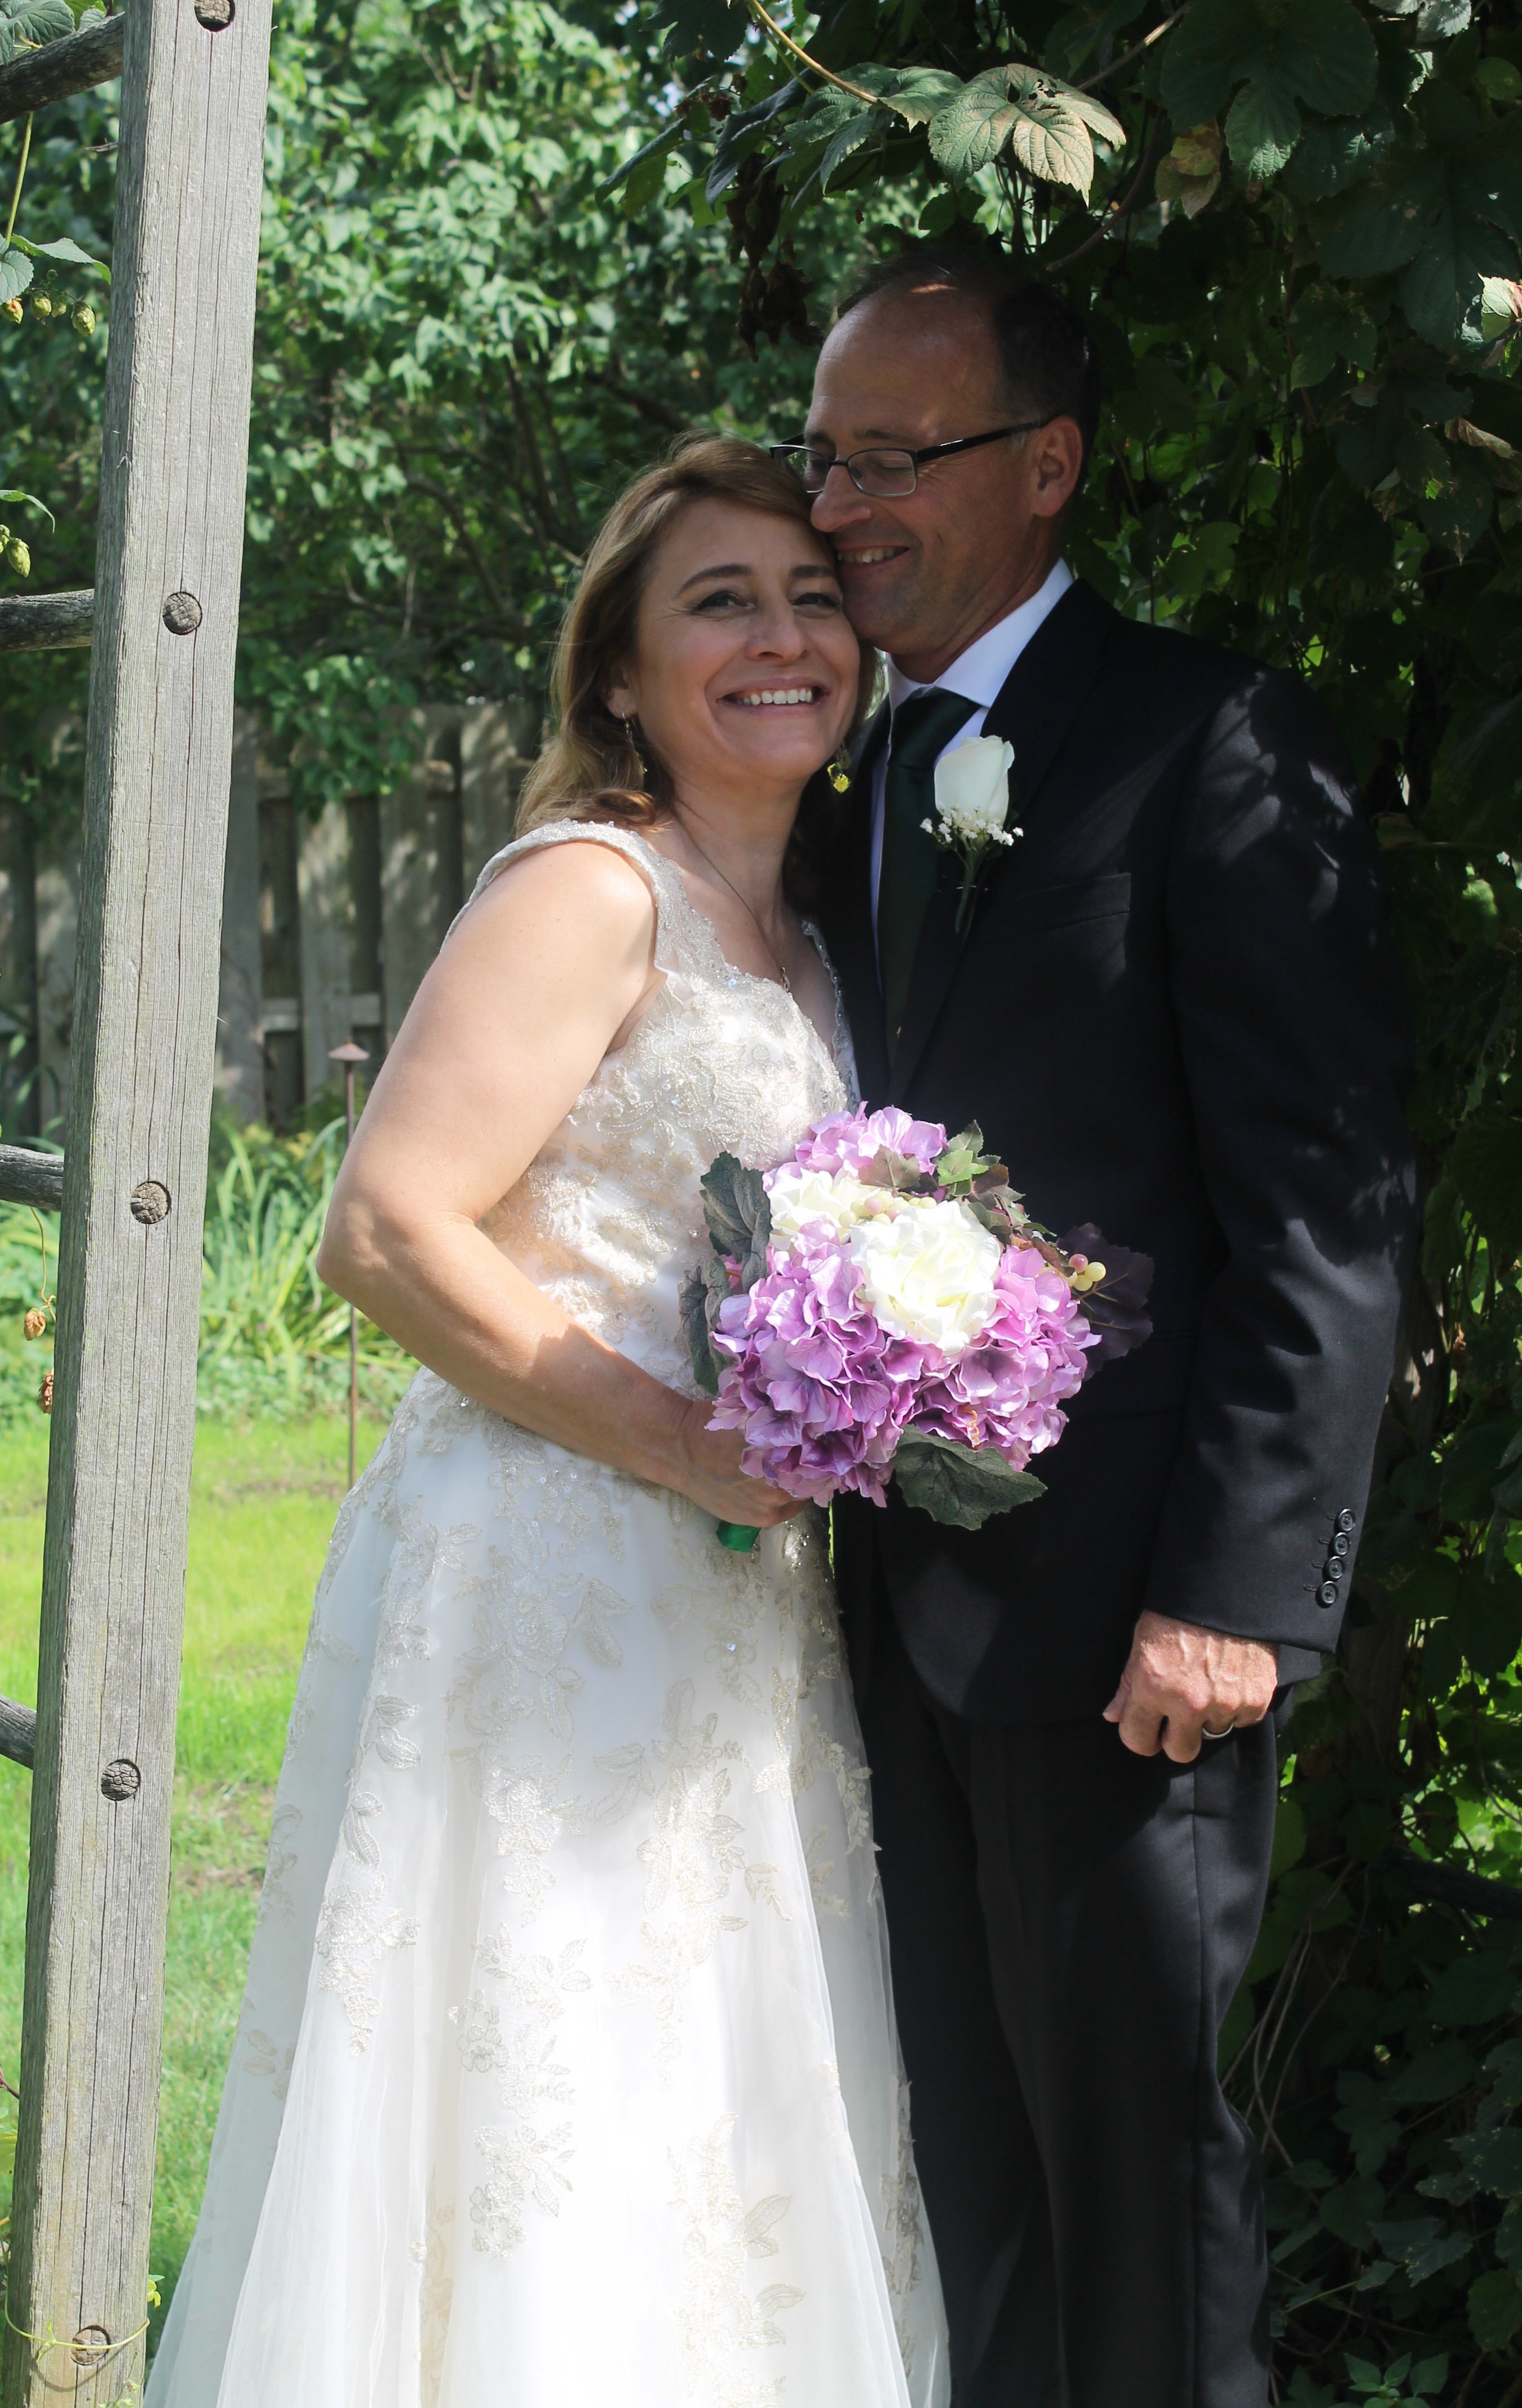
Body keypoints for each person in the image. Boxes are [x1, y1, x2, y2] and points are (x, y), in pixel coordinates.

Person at [148, 437, 949, 2408]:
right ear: (618, 672)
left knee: (713, 2072)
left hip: (736, 1591)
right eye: (721, 601)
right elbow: (384, 1228)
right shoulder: (593, 888)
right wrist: (684, 1443)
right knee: (560, 2067)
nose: (784, 637)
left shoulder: (812, 926)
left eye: (813, 597)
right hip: (550, 1563)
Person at [785, 245, 1417, 2408]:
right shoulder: (844, 774)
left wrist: (1236, 1596)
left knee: (1141, 2185)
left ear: (1045, 465)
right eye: (822, 457)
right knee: (962, 2181)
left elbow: (1322, 1215)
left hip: (1131, 1624)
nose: (842, 506)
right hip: (881, 1611)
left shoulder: (1206, 736)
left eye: (895, 458)